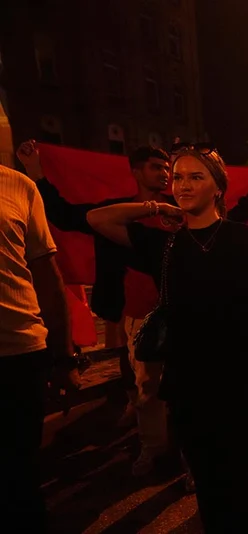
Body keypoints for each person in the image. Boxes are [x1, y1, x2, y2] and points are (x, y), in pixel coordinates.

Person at [16, 141, 248, 476]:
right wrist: (153, 209)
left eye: (176, 173)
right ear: (136, 171)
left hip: (196, 322)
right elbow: (82, 217)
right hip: (144, 315)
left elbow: (226, 227)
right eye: (165, 171)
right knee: (149, 390)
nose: (170, 178)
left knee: (199, 390)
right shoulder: (144, 216)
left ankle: (193, 460)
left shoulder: (195, 219)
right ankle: (155, 450)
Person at [86, 146, 248, 533]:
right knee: (205, 480)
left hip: (238, 380)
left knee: (235, 480)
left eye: (196, 177)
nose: (183, 185)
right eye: (179, 177)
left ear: (218, 188)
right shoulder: (164, 244)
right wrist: (154, 208)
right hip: (188, 382)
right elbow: (96, 218)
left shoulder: (242, 239)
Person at [0, 164, 80, 533]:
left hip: (18, 356)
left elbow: (47, 276)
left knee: (18, 477)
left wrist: (64, 357)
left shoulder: (17, 185)